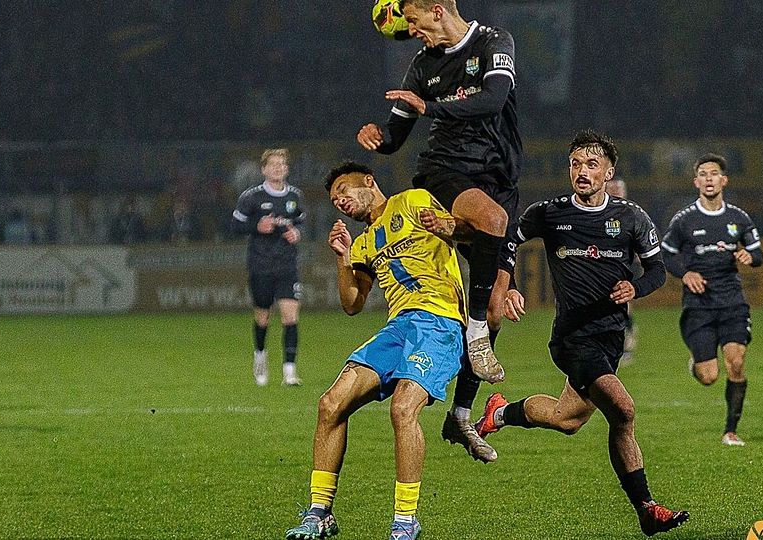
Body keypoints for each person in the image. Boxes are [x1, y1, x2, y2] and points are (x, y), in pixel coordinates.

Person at [475, 130, 689, 536]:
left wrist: (635, 287)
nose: (582, 172)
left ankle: (499, 412)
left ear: (609, 172)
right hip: (573, 338)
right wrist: (510, 286)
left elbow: (658, 270)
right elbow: (507, 240)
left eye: (591, 165)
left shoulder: (632, 218)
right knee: (623, 411)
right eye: (575, 164)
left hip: (609, 338)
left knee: (567, 419)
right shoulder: (550, 213)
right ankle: (646, 508)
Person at [285, 162, 466, 540]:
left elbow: (462, 229)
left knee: (403, 408)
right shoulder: (365, 242)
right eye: (335, 201)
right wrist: (342, 257)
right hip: (397, 328)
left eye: (345, 191)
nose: (341, 202)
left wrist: (449, 226)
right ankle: (320, 513)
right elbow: (352, 303)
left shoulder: (412, 201)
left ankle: (405, 520)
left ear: (368, 182)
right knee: (331, 403)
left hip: (439, 322)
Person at [357, 0, 522, 389]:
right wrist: (377, 138)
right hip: (445, 169)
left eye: (413, 21)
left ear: (436, 10)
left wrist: (429, 106)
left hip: (499, 176)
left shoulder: (493, 42)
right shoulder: (421, 66)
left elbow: (493, 99)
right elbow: (395, 136)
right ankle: (475, 332)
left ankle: (461, 416)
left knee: (498, 303)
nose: (411, 31)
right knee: (492, 220)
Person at [660, 153, 763, 447]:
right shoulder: (684, 220)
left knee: (737, 363)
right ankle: (696, 363)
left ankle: (730, 430)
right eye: (703, 174)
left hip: (732, 302)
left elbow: (758, 254)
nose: (708, 178)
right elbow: (667, 254)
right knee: (708, 376)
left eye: (714, 173)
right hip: (699, 305)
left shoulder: (738, 218)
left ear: (723, 180)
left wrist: (749, 256)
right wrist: (685, 272)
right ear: (696, 182)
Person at [231, 148, 306, 386]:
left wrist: (296, 233)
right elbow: (235, 226)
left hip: (287, 265)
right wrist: (256, 226)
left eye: (281, 164)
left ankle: (289, 371)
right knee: (263, 317)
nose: (277, 168)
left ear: (287, 168)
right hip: (260, 265)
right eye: (272, 164)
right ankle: (260, 355)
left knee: (290, 317)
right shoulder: (251, 197)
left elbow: (300, 223)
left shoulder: (295, 196)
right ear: (263, 169)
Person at [605, 178, 638, 365]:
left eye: (619, 188)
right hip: (600, 269)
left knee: (624, 307)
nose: (616, 191)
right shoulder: (597, 212)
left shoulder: (632, 214)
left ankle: (626, 345)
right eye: (612, 188)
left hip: (625, 268)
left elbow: (648, 238)